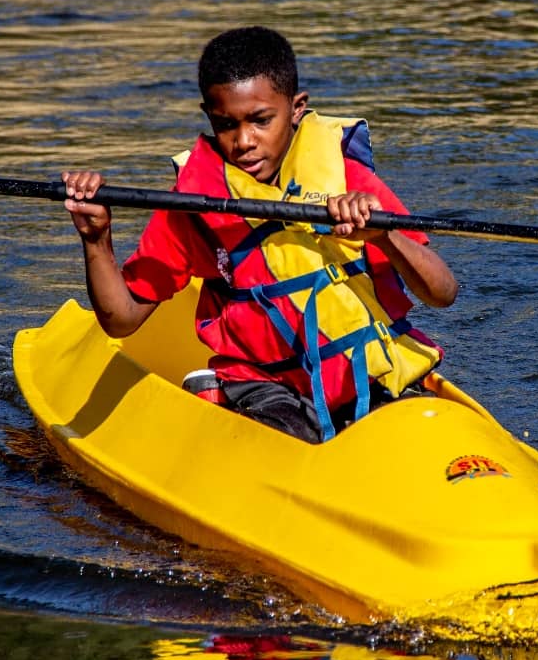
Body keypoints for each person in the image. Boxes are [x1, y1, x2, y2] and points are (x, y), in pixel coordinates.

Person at [62, 26, 457, 443]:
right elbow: (121, 320)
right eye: (226, 125)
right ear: (209, 117)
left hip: (366, 378)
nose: (243, 142)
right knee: (285, 433)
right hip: (266, 389)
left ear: (297, 109)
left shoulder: (350, 183)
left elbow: (442, 293)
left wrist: (383, 237)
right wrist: (96, 239)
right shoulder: (193, 207)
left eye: (261, 120)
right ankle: (218, 406)